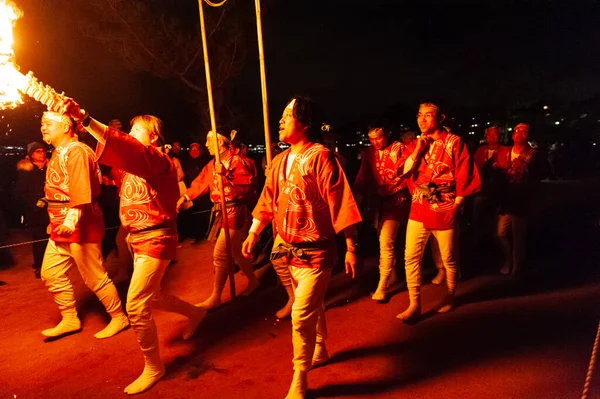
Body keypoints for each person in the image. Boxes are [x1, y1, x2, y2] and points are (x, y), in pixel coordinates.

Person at [60, 100, 208, 395]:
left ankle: (154, 366)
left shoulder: (157, 159)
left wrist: (87, 118)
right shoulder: (128, 167)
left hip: (157, 235)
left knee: (137, 303)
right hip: (135, 237)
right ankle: (195, 313)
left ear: (153, 137)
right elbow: (107, 162)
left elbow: (127, 148)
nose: (129, 134)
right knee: (152, 296)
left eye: (135, 130)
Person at [242, 96, 362, 399]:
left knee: (300, 313)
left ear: (305, 123)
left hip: (317, 250)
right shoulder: (280, 161)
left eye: (287, 115)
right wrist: (254, 232)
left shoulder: (322, 157)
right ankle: (319, 348)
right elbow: (268, 200)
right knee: (313, 306)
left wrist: (351, 246)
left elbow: (340, 201)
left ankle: (299, 376)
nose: (280, 120)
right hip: (288, 248)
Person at [38, 111, 129, 339]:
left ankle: (119, 317)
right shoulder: (60, 151)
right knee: (50, 272)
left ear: (66, 127)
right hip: (61, 226)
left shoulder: (77, 150)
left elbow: (81, 189)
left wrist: (70, 220)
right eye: (42, 124)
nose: (43, 128)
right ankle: (69, 318)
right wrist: (55, 221)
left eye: (48, 124)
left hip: (80, 224)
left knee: (94, 276)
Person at [397, 101, 480, 321]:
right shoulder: (415, 143)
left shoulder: (454, 142)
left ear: (441, 118)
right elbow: (402, 171)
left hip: (445, 204)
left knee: (449, 257)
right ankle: (414, 303)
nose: (422, 119)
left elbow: (465, 173)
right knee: (410, 256)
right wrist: (416, 149)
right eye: (419, 115)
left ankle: (451, 295)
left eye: (428, 115)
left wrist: (457, 205)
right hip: (419, 204)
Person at [178, 127, 259, 309]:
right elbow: (200, 183)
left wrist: (227, 175)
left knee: (221, 254)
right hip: (221, 211)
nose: (206, 144)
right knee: (236, 252)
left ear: (221, 142)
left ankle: (215, 296)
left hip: (236, 212)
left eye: (209, 140)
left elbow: (246, 186)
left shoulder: (237, 161)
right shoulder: (212, 164)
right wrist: (185, 197)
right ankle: (253, 280)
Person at [353, 127, 410, 302]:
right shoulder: (369, 152)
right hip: (377, 204)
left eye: (378, 138)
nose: (375, 142)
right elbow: (362, 178)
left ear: (386, 136)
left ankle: (382, 285)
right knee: (382, 242)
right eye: (371, 139)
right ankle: (392, 275)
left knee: (386, 241)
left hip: (396, 201)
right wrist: (356, 202)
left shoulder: (398, 148)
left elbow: (408, 171)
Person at [495, 122, 547, 276]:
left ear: (528, 135)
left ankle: (516, 267)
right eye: (517, 130)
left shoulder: (533, 154)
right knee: (501, 233)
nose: (520, 133)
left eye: (524, 131)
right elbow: (491, 169)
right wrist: (498, 166)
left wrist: (527, 167)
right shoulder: (504, 151)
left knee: (518, 235)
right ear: (512, 134)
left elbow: (543, 172)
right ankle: (508, 258)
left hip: (521, 198)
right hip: (505, 198)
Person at [16, 142, 49, 279]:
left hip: (51, 209)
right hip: (36, 212)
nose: (41, 153)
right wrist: (34, 205)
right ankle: (39, 266)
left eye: (42, 150)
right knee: (39, 240)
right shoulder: (27, 170)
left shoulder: (50, 168)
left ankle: (52, 266)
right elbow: (21, 192)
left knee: (53, 239)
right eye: (37, 151)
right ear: (31, 155)